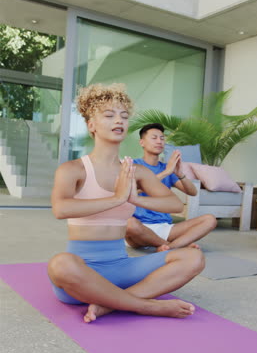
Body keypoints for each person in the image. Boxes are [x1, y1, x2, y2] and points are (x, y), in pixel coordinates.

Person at [48, 83, 205, 323]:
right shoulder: (72, 169)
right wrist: (116, 198)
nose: (118, 120)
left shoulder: (136, 171)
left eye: (123, 116)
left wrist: (133, 197)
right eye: (109, 115)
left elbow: (174, 204)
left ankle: (110, 305)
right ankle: (145, 306)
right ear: (91, 125)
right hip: (82, 272)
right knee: (60, 264)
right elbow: (61, 209)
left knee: (194, 258)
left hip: (122, 269)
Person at [125, 123, 217, 252]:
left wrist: (180, 174)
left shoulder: (166, 167)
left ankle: (167, 247)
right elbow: (128, 193)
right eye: (154, 138)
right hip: (138, 227)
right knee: (129, 224)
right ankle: (175, 245)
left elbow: (192, 192)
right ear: (142, 142)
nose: (159, 141)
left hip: (165, 227)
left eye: (162, 138)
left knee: (210, 220)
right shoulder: (133, 165)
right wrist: (166, 173)